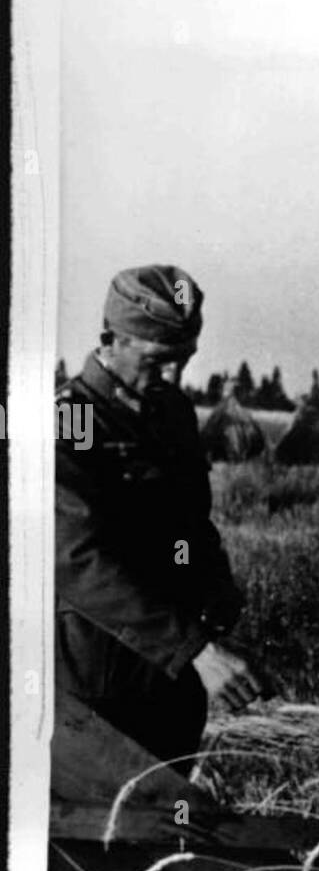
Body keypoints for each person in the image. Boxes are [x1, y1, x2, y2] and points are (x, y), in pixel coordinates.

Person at [55, 265, 260, 769]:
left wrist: (216, 592)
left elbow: (190, 524)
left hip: (172, 681)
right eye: (158, 360)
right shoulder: (76, 417)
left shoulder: (172, 413)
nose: (173, 376)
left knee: (167, 826)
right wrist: (194, 650)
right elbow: (78, 559)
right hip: (101, 680)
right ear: (112, 338)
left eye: (183, 359)